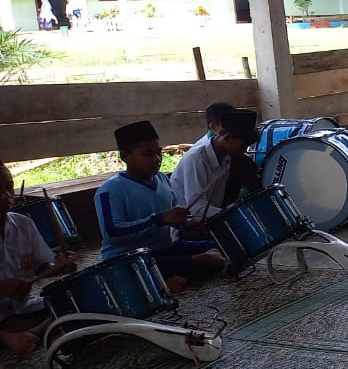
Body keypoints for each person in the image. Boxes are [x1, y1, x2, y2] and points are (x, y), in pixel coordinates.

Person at [94, 121, 228, 292]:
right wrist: (159, 219)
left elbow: (173, 222)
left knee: (222, 244)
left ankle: (161, 279)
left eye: (159, 152)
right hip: (129, 260)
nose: (157, 159)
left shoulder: (162, 179)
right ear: (125, 156)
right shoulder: (110, 189)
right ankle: (159, 281)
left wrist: (186, 223)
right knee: (204, 260)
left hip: (163, 250)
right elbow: (113, 233)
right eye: (148, 154)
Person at [1, 163, 77, 355]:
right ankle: (13, 334)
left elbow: (43, 265)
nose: (6, 196)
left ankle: (29, 332)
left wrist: (58, 266)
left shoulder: (23, 224)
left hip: (20, 308)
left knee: (76, 300)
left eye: (9, 188)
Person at [172, 109, 259, 217]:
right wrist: (233, 216)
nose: (244, 150)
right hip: (187, 222)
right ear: (227, 138)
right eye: (242, 145)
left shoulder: (227, 158)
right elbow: (196, 208)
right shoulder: (196, 159)